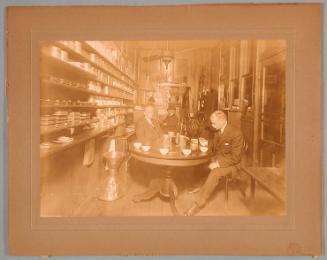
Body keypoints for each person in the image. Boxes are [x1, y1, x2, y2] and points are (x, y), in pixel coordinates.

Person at [185, 110, 244, 216]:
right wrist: (204, 142)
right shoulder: (218, 130)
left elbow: (236, 158)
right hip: (221, 159)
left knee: (215, 173)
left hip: (233, 165)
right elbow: (216, 148)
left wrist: (218, 163)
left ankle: (197, 205)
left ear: (222, 121)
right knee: (201, 164)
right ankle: (201, 187)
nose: (212, 125)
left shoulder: (236, 133)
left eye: (214, 123)